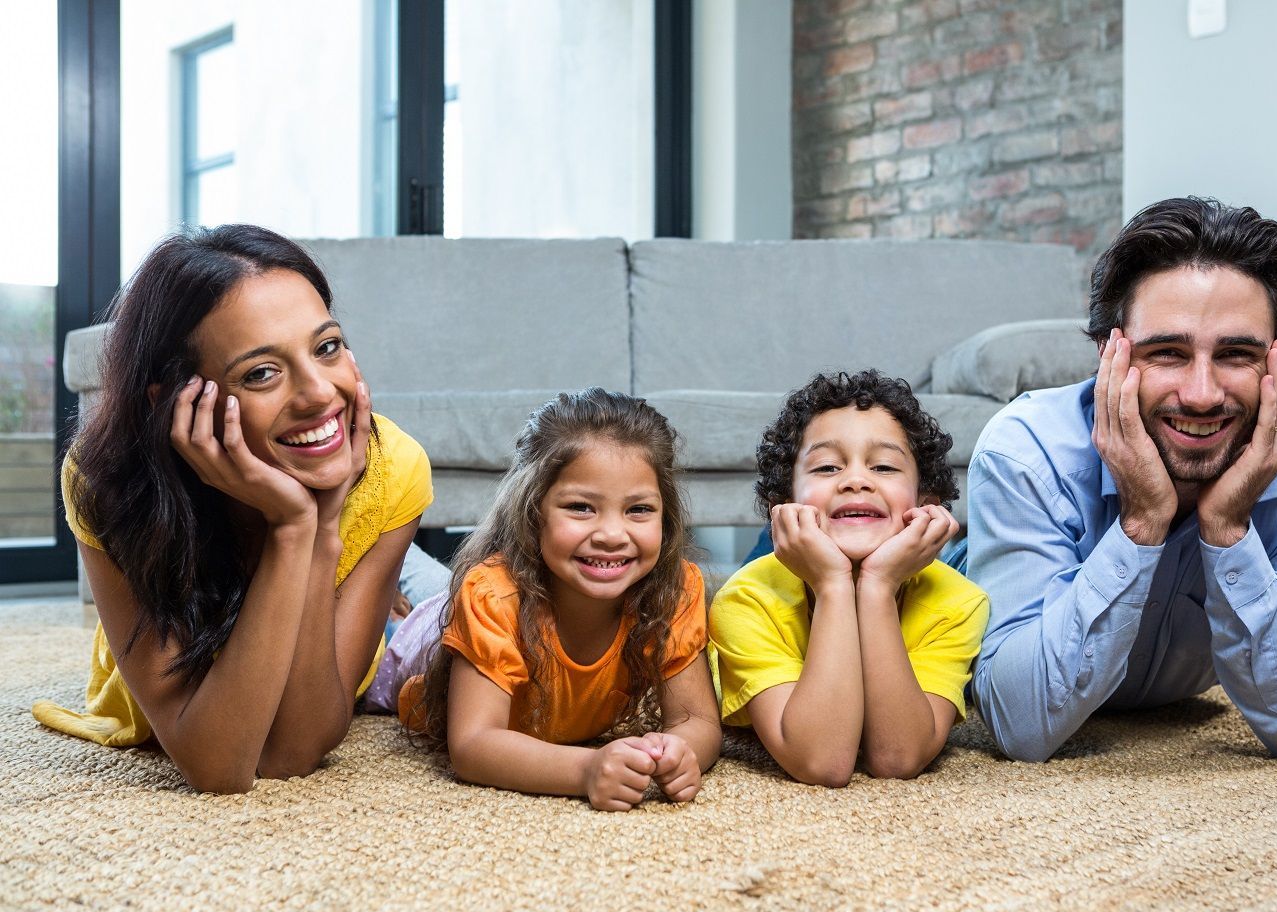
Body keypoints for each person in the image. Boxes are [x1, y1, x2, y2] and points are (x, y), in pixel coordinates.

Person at [31, 225, 441, 793]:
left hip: (358, 531)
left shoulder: (392, 465)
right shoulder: (108, 481)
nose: (320, 393)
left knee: (472, 609)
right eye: (261, 373)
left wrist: (320, 530)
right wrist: (294, 526)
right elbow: (220, 764)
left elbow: (296, 749)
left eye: (327, 347)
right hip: (236, 541)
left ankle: (404, 594)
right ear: (175, 399)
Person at [968, 196, 1277, 763]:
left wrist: (1229, 530)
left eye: (1236, 354)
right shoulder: (1026, 452)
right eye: (1167, 352)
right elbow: (1021, 723)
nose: (1202, 394)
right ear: (1109, 355)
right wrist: (1140, 523)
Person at [391, 388, 721, 812]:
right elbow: (472, 745)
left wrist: (677, 750)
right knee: (396, 598)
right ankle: (393, 557)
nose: (612, 535)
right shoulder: (490, 595)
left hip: (466, 599)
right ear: (533, 514)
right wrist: (585, 769)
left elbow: (699, 722)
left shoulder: (673, 589)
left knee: (432, 581)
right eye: (582, 507)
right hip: (417, 639)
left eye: (638, 509)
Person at [708, 371, 989, 787]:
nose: (856, 480)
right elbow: (823, 761)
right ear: (784, 506)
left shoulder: (959, 601)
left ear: (925, 504)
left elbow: (897, 758)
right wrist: (833, 583)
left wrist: (876, 585)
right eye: (826, 467)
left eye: (884, 466)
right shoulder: (745, 601)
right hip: (784, 570)